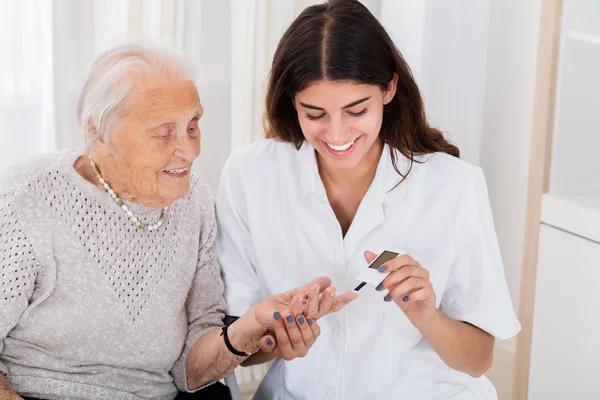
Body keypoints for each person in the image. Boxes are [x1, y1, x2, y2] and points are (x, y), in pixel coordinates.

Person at [0, 43, 354, 400]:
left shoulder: (194, 201)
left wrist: (252, 326)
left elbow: (192, 370)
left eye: (193, 126)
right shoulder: (30, 199)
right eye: (163, 132)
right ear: (98, 131)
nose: (189, 150)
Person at [215, 1, 521, 399]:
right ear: (292, 101)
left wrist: (428, 316)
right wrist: (274, 339)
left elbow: (478, 359)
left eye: (356, 110)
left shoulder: (454, 186)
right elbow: (232, 344)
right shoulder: (249, 175)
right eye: (315, 113)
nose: (336, 133)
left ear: (389, 88)